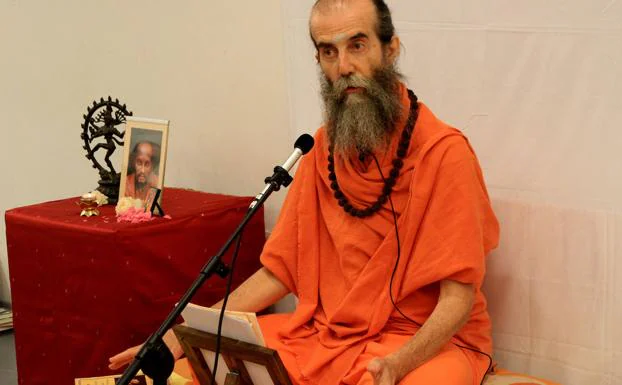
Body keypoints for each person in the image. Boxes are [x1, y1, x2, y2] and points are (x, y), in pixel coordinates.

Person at [109, 1, 500, 384]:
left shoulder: (444, 153)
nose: (344, 67)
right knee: (192, 366)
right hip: (326, 335)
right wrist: (177, 336)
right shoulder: (322, 149)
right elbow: (281, 270)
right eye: (329, 52)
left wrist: (398, 364)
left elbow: (457, 300)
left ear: (391, 49)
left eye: (357, 46)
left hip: (423, 343)